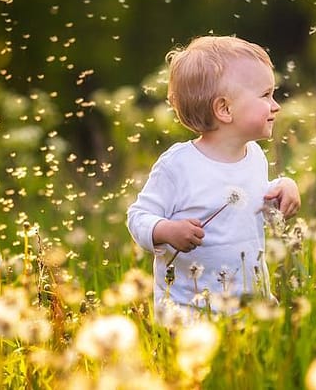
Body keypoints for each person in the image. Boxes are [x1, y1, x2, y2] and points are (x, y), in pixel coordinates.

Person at [127, 35, 301, 319]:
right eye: (265, 95)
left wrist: (283, 189)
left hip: (250, 306)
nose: (276, 105)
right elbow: (138, 216)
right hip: (190, 314)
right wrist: (166, 230)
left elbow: (245, 208)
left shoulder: (255, 156)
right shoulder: (178, 166)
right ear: (224, 109)